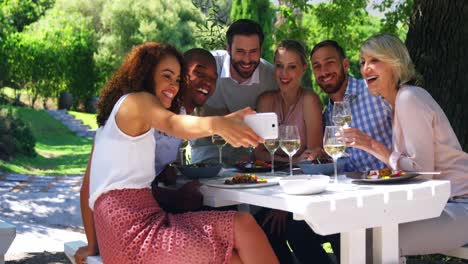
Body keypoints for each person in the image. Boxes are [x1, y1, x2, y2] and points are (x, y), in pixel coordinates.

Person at [74, 42, 278, 264]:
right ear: (146, 74)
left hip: (149, 218)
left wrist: (92, 246)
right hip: (131, 236)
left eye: (178, 79)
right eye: (166, 76)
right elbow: (173, 123)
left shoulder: (115, 120)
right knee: (235, 258)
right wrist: (219, 124)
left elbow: (89, 187)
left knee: (244, 224)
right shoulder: (137, 101)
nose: (174, 85)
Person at [343, 33, 468, 258]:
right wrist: (371, 146)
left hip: (461, 205)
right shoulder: (398, 102)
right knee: (365, 235)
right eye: (362, 62)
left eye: (375, 60)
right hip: (441, 203)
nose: (365, 69)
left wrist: (372, 144)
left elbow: (422, 172)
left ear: (395, 63)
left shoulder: (408, 98)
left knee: (377, 240)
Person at [285, 40, 395, 264]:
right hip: (352, 199)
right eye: (317, 66)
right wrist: (319, 156)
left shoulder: (375, 92)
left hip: (386, 197)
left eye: (329, 63)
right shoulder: (327, 113)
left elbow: (408, 145)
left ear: (345, 64)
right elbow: (341, 158)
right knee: (295, 229)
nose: (323, 71)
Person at [253, 39, 324, 264]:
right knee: (258, 228)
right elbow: (259, 153)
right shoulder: (265, 101)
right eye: (280, 66)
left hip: (305, 191)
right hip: (271, 191)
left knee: (291, 228)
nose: (284, 73)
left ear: (303, 69)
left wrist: (285, 204)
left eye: (292, 66)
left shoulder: (309, 100)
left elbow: (313, 156)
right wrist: (292, 160)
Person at [190, 19, 278, 166]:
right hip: (206, 157)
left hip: (250, 161)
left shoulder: (271, 77)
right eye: (240, 51)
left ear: (261, 50)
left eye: (253, 52)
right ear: (228, 49)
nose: (247, 59)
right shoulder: (207, 67)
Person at [151, 48, 218, 213]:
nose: (208, 83)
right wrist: (176, 198)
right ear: (180, 74)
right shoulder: (159, 112)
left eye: (213, 78)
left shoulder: (183, 112)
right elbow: (129, 187)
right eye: (200, 74)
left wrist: (163, 167)